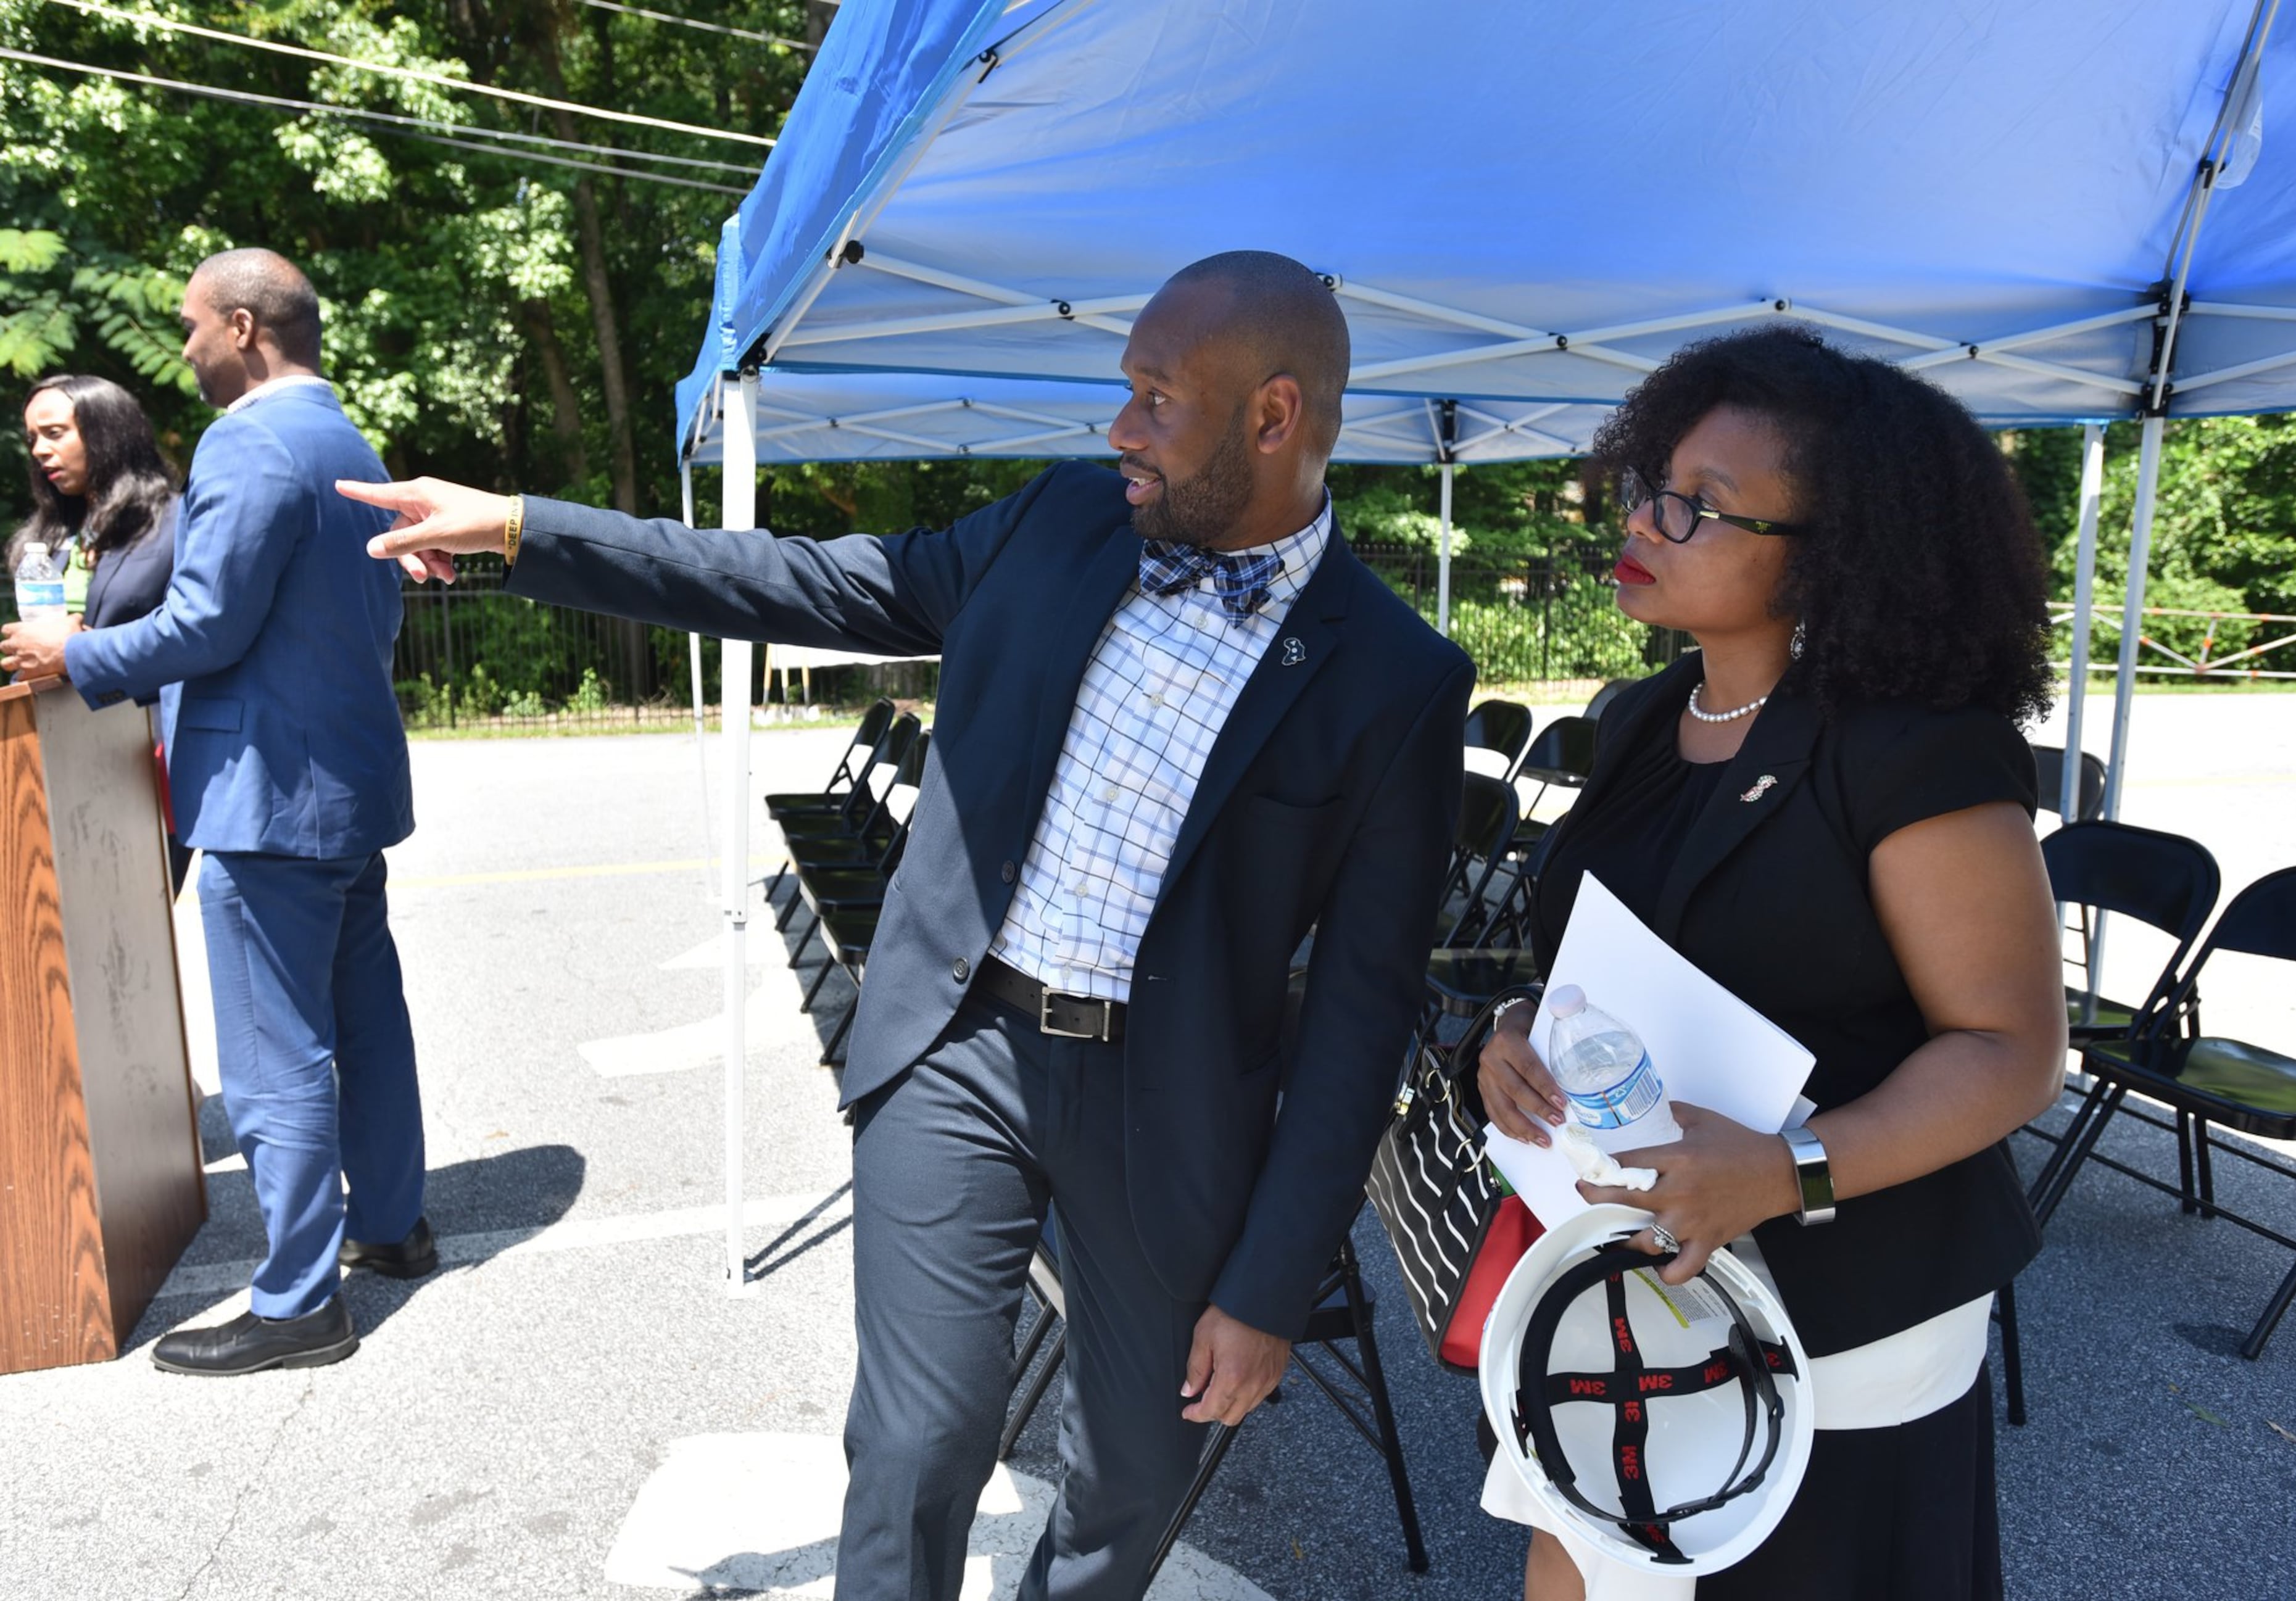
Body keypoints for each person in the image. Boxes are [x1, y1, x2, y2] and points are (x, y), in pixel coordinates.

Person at [340, 250, 1472, 1600]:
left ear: (1274, 416)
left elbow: (1362, 1010)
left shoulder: (1401, 676)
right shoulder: (1061, 521)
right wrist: (531, 527)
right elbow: (804, 581)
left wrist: (1277, 1279)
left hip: (1171, 1111)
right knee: (917, 1440)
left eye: (1157, 400)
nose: (1120, 428)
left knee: (1132, 1480)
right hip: (961, 1045)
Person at [1472, 326, 2065, 1599]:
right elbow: (1604, 951)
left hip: (1850, 1289)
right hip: (1622, 1258)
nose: (1646, 516)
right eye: (1652, 482)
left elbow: (2012, 1049)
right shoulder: (1640, 718)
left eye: (1702, 505)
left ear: (1837, 557)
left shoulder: (1918, 751)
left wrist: (1788, 1168)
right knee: (1583, 1551)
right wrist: (1522, 1027)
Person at [1, 248, 433, 1375]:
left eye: (191, 327)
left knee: (274, 1052)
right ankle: (392, 1224)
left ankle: (299, 1304)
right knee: (366, 1018)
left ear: (243, 328)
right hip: (345, 782)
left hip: (263, 798)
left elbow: (206, 624)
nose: (182, 347)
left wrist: (75, 648)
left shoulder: (248, 440)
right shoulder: (348, 437)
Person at [12, 373, 192, 890]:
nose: (40, 451)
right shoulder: (49, 535)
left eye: (54, 433)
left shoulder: (176, 525)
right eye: (32, 440)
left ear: (107, 431)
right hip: (47, 748)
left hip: (137, 752)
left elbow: (189, 638)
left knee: (132, 915)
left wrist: (81, 648)